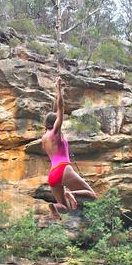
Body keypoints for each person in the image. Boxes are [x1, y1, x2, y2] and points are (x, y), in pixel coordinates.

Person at [41, 77, 97, 219]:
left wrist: (55, 90)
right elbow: (60, 109)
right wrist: (59, 90)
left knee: (64, 207)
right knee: (92, 195)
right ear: (55, 123)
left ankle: (53, 206)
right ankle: (71, 193)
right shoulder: (56, 133)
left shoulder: (44, 137)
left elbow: (54, 111)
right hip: (63, 168)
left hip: (52, 175)